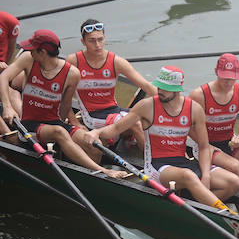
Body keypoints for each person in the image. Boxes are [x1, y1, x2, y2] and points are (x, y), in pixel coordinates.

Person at [90, 65, 239, 209]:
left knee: (234, 182)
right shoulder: (146, 106)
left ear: (177, 90)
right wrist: (96, 133)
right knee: (189, 176)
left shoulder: (194, 109)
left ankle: (197, 207)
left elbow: (203, 147)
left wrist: (207, 176)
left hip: (183, 163)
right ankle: (226, 214)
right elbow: (116, 128)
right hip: (157, 166)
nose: (160, 90)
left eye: (166, 88)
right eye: (159, 86)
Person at [0, 29, 126, 178]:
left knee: (94, 143)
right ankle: (105, 171)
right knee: (59, 133)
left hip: (54, 122)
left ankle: (88, 177)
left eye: (33, 48)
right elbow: (3, 77)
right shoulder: (28, 59)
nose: (29, 51)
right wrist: (7, 107)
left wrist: (74, 123)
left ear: (43, 52)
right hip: (29, 125)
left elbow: (65, 107)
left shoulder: (72, 74)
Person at [65, 19, 156, 153]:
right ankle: (152, 166)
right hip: (92, 115)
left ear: (105, 38)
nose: (97, 45)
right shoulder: (74, 61)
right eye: (92, 40)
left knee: (150, 116)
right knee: (135, 123)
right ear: (83, 42)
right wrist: (75, 122)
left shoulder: (116, 61)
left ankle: (133, 140)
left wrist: (173, 106)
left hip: (113, 109)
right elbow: (63, 96)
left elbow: (146, 86)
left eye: (100, 39)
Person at [188, 53, 239, 180]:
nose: (228, 82)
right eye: (224, 78)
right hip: (205, 145)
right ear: (216, 72)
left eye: (232, 78)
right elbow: (187, 127)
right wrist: (205, 145)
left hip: (230, 142)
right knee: (234, 166)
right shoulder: (199, 95)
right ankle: (236, 195)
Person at [0, 11, 22, 134]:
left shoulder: (10, 22)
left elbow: (11, 48)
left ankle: (30, 124)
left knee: (13, 93)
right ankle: (9, 136)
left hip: (1, 71)